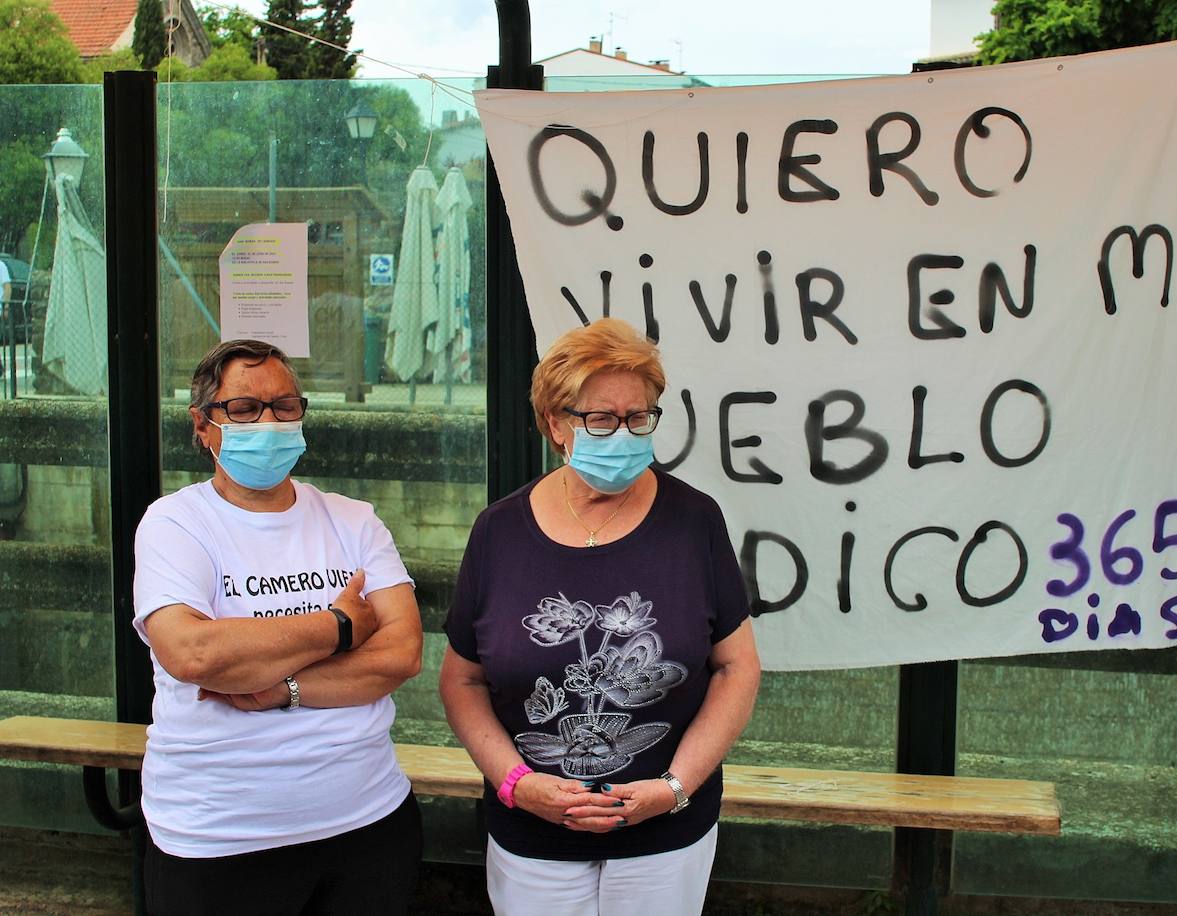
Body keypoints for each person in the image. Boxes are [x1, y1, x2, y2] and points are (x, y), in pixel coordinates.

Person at [440, 317, 761, 916]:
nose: (625, 434)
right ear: (557, 425)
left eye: (639, 417)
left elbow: (736, 668)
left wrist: (672, 789)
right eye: (602, 419)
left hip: (665, 829)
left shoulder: (694, 521)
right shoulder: (499, 532)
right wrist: (518, 785)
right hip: (531, 831)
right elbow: (461, 679)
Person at [132, 339, 424, 915]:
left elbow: (400, 655)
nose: (268, 422)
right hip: (217, 839)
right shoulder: (175, 523)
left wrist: (277, 689)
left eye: (285, 406)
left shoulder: (353, 520)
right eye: (244, 409)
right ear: (204, 425)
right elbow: (193, 654)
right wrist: (339, 626)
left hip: (368, 822)